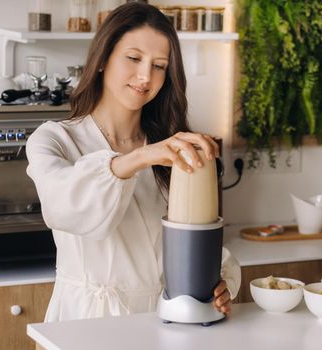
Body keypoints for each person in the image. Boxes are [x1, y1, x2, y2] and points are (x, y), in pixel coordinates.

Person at [26, 2, 241, 322]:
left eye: (159, 65)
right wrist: (140, 157)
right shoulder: (54, 139)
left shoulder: (172, 147)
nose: (145, 76)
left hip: (159, 317)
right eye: (133, 58)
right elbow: (63, 207)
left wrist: (218, 281)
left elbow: (192, 239)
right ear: (102, 60)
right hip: (85, 320)